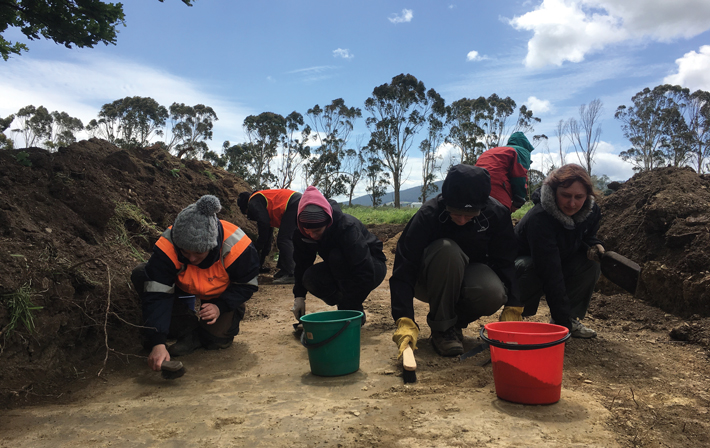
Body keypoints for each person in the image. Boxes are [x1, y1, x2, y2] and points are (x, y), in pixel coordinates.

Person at [390, 164, 522, 358]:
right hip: (428, 280)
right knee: (447, 250)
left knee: (493, 292)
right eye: (455, 213)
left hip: (468, 277)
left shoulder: (496, 214)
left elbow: (506, 262)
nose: (461, 220)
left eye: (470, 215)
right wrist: (404, 319)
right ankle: (442, 329)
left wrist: (514, 304)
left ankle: (454, 324)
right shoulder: (428, 215)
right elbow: (404, 267)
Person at [131, 195, 260, 372]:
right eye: (185, 252)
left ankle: (202, 333)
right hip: (180, 289)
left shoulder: (238, 246)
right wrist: (158, 341)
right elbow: (157, 294)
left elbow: (246, 284)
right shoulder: (168, 245)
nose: (191, 258)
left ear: (212, 246)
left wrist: (220, 307)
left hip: (220, 295)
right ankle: (187, 330)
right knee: (141, 273)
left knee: (216, 341)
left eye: (198, 253)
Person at [514, 163, 604, 338]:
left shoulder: (591, 212)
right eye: (565, 195)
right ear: (554, 192)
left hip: (558, 258)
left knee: (590, 263)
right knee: (530, 266)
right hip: (523, 266)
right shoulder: (540, 218)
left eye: (579, 197)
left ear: (588, 196)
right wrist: (563, 326)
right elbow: (549, 271)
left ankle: (570, 317)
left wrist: (595, 244)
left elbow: (585, 235)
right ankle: (516, 315)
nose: (572, 203)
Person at [290, 186, 387, 325]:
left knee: (336, 257)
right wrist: (299, 296)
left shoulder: (346, 228)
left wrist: (349, 307)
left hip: (372, 265)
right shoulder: (301, 232)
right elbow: (301, 264)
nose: (312, 235)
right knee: (310, 277)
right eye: (307, 231)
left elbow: (364, 270)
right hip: (339, 266)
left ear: (328, 223)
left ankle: (352, 311)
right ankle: (346, 305)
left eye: (317, 231)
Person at [238, 189, 302, 284]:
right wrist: (262, 255)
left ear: (246, 207)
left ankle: (292, 273)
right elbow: (267, 235)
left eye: (247, 212)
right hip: (296, 202)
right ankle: (285, 269)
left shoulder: (253, 201)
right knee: (285, 238)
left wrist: (258, 245)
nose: (249, 215)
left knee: (284, 239)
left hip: (293, 203)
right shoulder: (262, 202)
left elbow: (263, 224)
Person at [475, 132, 535, 212]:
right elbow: (520, 177)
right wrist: (518, 201)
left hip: (473, 189)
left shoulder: (494, 150)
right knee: (501, 219)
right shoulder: (521, 151)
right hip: (496, 191)